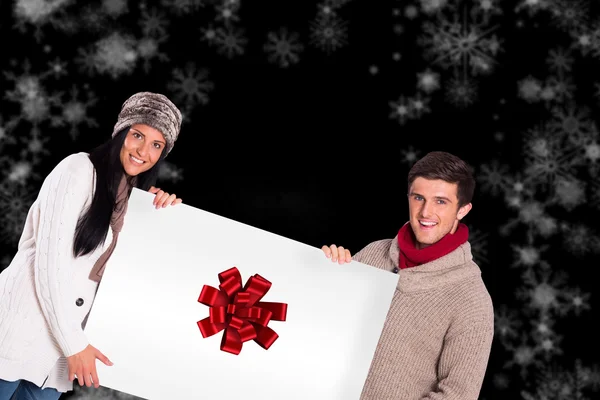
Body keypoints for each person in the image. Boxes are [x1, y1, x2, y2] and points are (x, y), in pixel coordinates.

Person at [0, 91, 184, 399]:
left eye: (156, 144)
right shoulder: (78, 170)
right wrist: (75, 344)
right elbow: (49, 265)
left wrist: (158, 214)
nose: (143, 150)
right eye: (137, 135)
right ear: (121, 132)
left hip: (56, 355)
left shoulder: (133, 201)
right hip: (14, 332)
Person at [322, 151, 494, 400]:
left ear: (462, 210)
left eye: (441, 201)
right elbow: (322, 324)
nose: (426, 212)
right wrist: (325, 273)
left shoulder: (472, 300)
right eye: (419, 198)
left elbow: (457, 396)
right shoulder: (372, 255)